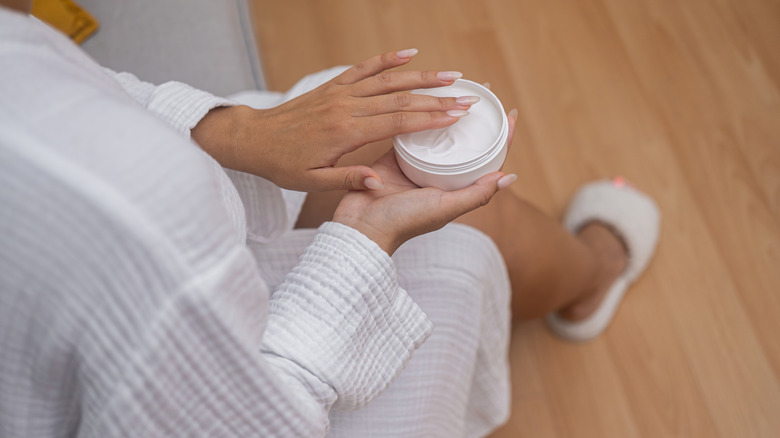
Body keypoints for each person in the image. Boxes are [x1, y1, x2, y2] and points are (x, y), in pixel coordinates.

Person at [0, 1, 660, 437]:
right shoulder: (112, 215)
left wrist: (237, 134)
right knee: (467, 231)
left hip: (147, 275)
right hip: (244, 386)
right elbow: (253, 418)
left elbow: (65, 94)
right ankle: (594, 272)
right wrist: (364, 242)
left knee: (362, 144)